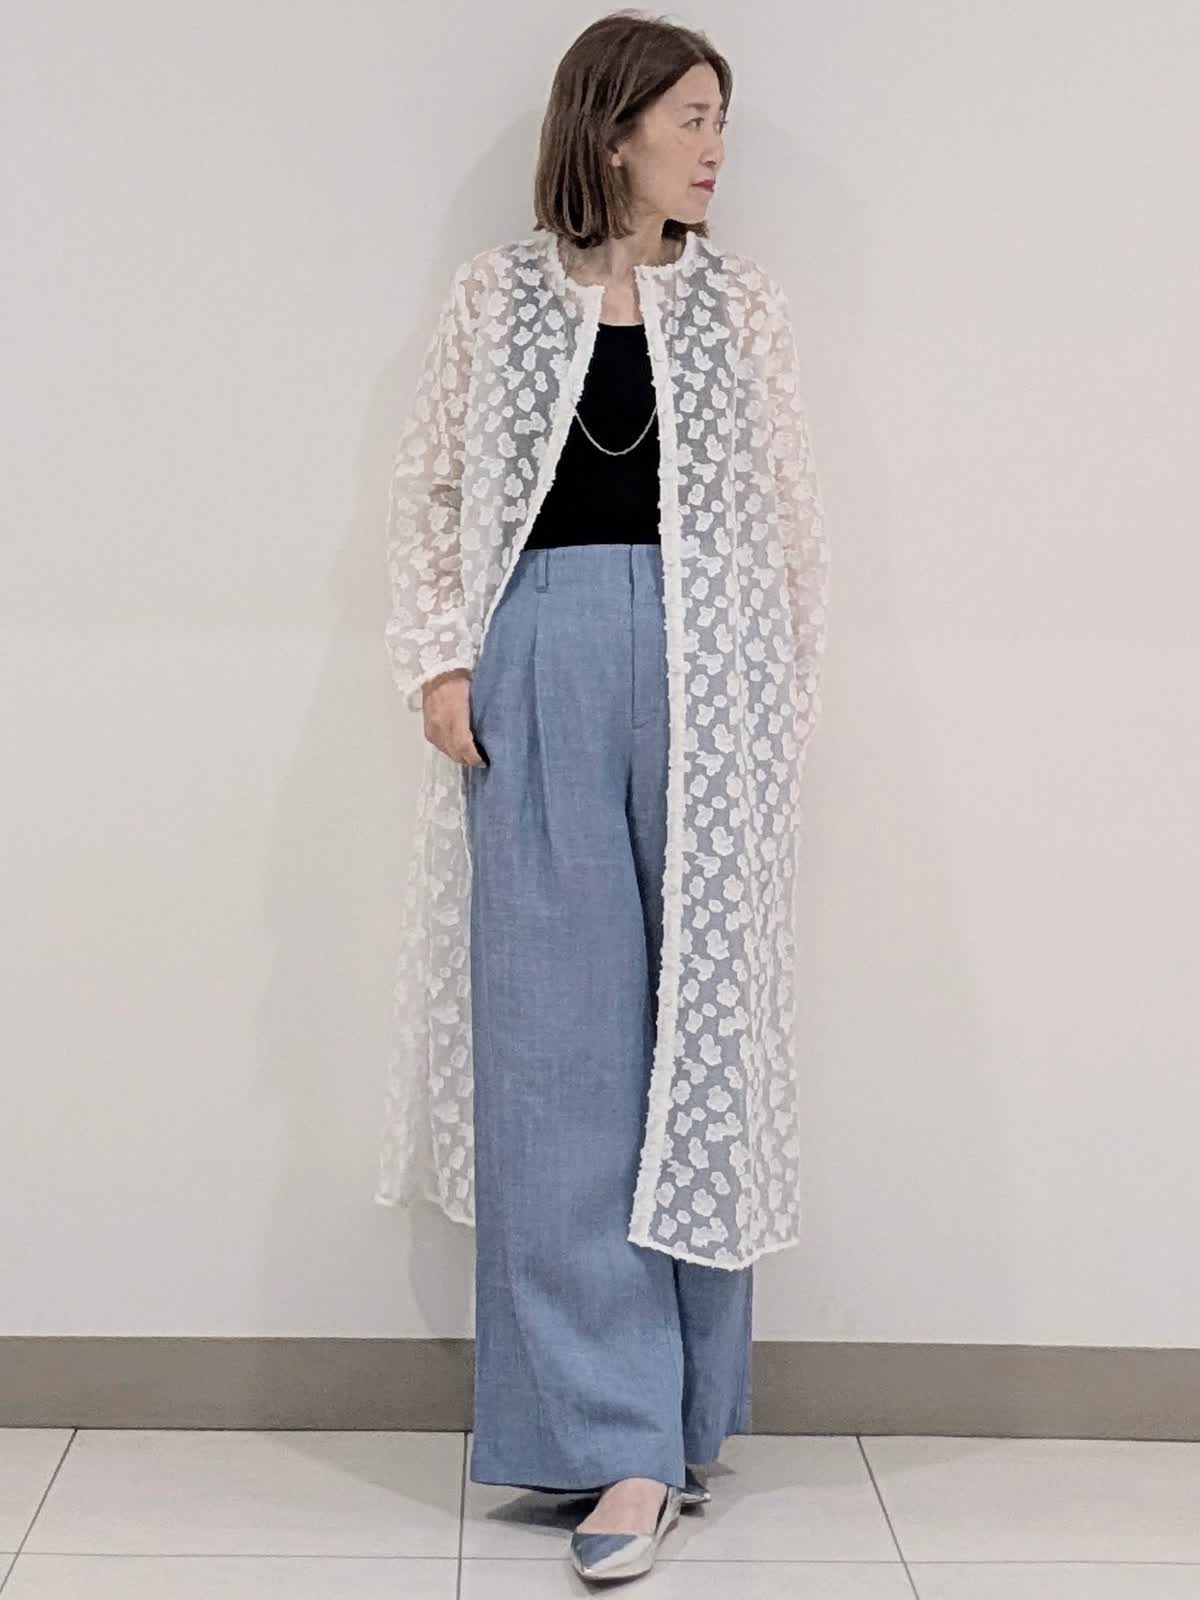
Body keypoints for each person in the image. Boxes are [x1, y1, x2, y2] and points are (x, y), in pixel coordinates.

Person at [376, 11, 829, 1581]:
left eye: (722, 120)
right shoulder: (497, 297)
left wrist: (781, 711)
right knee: (553, 1052)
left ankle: (680, 1419)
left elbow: (785, 525)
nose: (714, 147)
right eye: (692, 117)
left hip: (716, 677)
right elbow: (432, 490)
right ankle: (610, 1440)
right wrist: (442, 665)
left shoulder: (741, 308)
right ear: (614, 126)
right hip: (542, 657)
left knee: (698, 1043)